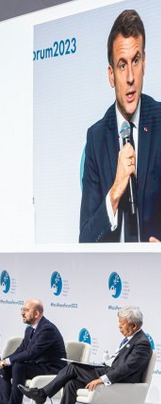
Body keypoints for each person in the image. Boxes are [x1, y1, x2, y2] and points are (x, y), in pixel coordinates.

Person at [79, 9, 161, 242]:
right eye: (122, 65)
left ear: (144, 63)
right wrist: (115, 191)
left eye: (135, 61)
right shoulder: (96, 138)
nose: (130, 78)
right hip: (111, 266)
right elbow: (85, 239)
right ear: (111, 75)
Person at [19, 306, 152, 404]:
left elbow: (127, 368)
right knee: (71, 384)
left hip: (121, 380)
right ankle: (43, 396)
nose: (119, 326)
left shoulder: (142, 343)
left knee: (73, 368)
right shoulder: (131, 339)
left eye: (122, 324)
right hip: (109, 370)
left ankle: (42, 394)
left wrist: (101, 379)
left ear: (134, 325)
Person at [0, 300, 66, 404]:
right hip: (37, 365)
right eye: (22, 310)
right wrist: (1, 362)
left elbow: (31, 353)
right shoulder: (29, 330)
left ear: (36, 314)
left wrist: (4, 362)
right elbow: (21, 350)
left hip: (52, 368)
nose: (22, 313)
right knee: (2, 369)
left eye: (26, 310)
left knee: (19, 367)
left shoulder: (48, 329)